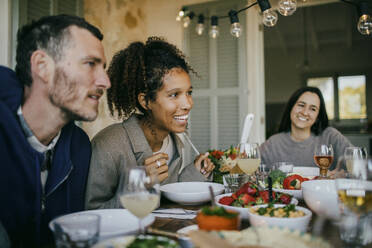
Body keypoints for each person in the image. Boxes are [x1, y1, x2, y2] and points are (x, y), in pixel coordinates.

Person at [0, 15, 110, 247]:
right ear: (42, 66)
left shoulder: (80, 147)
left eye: (104, 68)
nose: (105, 82)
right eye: (90, 64)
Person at [85, 37, 215, 209]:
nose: (188, 104)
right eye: (174, 94)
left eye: (188, 93)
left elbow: (165, 194)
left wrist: (196, 172)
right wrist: (139, 187)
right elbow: (92, 213)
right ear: (145, 101)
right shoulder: (108, 146)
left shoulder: (174, 142)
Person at [260, 86, 352, 170]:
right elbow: (250, 169)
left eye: (312, 109)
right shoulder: (273, 143)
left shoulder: (330, 136)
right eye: (301, 105)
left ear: (318, 116)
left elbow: (357, 163)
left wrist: (344, 173)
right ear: (291, 107)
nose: (305, 112)